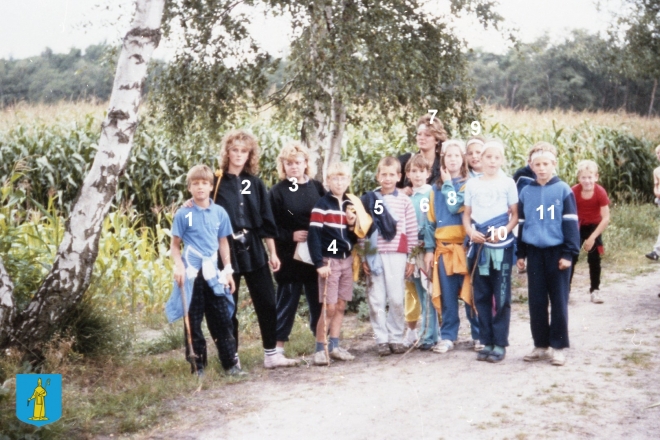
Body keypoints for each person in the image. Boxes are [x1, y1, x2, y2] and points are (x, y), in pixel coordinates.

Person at [211, 129, 298, 369]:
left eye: (244, 151)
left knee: (267, 302)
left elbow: (266, 220)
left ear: (250, 155)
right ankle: (232, 358)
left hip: (253, 248)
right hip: (226, 249)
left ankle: (272, 354)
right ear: (227, 152)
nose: (239, 155)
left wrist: (273, 252)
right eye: (235, 150)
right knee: (229, 305)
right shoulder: (216, 183)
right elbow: (201, 208)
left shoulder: (255, 184)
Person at [166, 164, 242, 376]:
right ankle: (198, 366)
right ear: (189, 187)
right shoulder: (186, 214)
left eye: (204, 183)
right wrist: (179, 266)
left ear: (211, 186)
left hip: (213, 272)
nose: (200, 188)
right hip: (192, 274)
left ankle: (230, 364)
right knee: (193, 320)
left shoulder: (219, 213)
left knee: (222, 320)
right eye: (195, 184)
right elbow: (175, 246)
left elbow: (223, 242)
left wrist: (227, 270)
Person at [516, 143, 580, 367]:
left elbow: (571, 224)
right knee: (536, 301)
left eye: (546, 164)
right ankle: (540, 345)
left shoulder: (563, 190)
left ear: (554, 164)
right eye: (537, 164)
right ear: (531, 166)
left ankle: (558, 346)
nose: (542, 168)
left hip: (557, 253)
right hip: (534, 253)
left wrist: (569, 253)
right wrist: (521, 252)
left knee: (559, 300)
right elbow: (523, 223)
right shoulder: (526, 191)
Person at [463, 139, 518, 363]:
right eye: (488, 157)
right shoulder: (473, 184)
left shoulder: (508, 183)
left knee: (501, 295)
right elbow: (466, 215)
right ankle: (485, 340)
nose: (492, 161)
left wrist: (504, 231)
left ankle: (500, 343)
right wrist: (470, 232)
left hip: (501, 247)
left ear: (502, 160)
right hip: (479, 245)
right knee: (482, 294)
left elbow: (514, 215)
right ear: (480, 160)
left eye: (496, 157)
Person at [424, 140, 481, 354]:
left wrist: (448, 183)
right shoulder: (433, 189)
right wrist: (429, 249)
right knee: (447, 296)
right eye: (449, 156)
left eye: (457, 155)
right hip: (444, 249)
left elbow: (455, 204)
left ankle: (478, 334)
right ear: (443, 160)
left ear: (463, 159)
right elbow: (429, 222)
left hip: (465, 248)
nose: (453, 159)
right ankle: (448, 336)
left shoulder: (469, 185)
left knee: (471, 295)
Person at [269, 142, 325, 354]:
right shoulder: (276, 192)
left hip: (314, 254)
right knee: (286, 302)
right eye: (289, 163)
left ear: (306, 164)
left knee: (318, 302)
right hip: (288, 256)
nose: (294, 167)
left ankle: (322, 345)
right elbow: (270, 226)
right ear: (283, 165)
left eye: (298, 162)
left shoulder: (317, 187)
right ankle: (277, 349)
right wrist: (289, 235)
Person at [362, 157, 418, 356]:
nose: (387, 178)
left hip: (397, 254)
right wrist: (364, 258)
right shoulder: (369, 199)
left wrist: (411, 257)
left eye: (391, 174)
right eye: (383, 174)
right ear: (378, 176)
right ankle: (381, 339)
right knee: (376, 298)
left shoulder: (404, 200)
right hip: (375, 255)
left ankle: (395, 336)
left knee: (396, 297)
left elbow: (412, 230)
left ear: (399, 176)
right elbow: (363, 230)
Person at [307, 162, 358, 365]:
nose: (339, 182)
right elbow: (314, 236)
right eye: (334, 178)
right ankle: (321, 347)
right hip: (329, 261)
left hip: (346, 260)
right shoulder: (322, 205)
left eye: (343, 178)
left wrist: (353, 224)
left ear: (348, 181)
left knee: (341, 304)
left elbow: (353, 236)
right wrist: (319, 263)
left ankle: (335, 345)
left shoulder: (350, 204)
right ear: (328, 181)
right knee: (328, 307)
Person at [403, 154, 435, 350]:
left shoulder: (431, 193)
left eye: (421, 171)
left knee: (428, 291)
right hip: (411, 249)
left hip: (427, 247)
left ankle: (430, 335)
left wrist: (429, 245)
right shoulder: (406, 196)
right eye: (413, 171)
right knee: (414, 290)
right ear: (407, 174)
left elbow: (432, 222)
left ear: (428, 173)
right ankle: (419, 332)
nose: (417, 175)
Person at [569, 160, 610, 304]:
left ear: (596, 177)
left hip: (594, 226)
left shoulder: (600, 192)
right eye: (583, 177)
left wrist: (592, 238)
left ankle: (595, 290)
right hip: (577, 225)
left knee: (594, 259)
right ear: (579, 178)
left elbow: (605, 218)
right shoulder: (573, 191)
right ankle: (565, 291)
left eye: (590, 177)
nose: (587, 181)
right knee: (571, 257)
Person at [397, 114, 448, 193]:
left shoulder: (444, 164)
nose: (421, 138)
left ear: (437, 140)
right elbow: (384, 188)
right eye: (419, 134)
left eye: (427, 135)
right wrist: (400, 191)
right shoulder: (405, 160)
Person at [645, 144, 660, 262]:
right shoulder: (656, 171)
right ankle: (656, 252)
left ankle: (656, 251)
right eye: (658, 153)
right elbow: (656, 186)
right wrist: (657, 193)